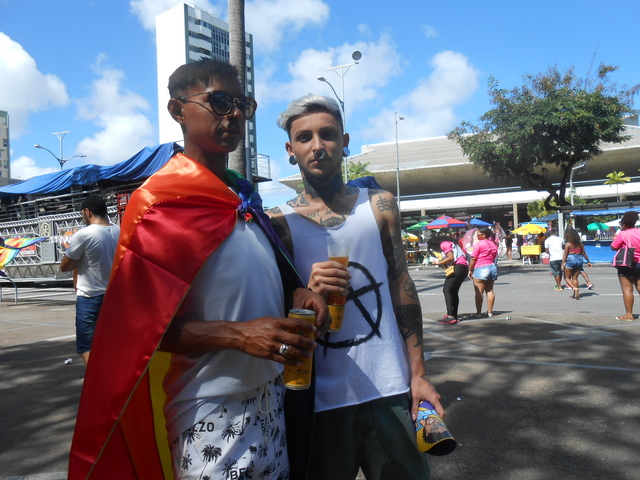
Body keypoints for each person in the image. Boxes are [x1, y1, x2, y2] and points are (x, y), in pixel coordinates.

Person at [68, 59, 328, 480]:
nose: (237, 114)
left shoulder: (242, 197)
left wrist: (299, 293)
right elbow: (134, 331)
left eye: (244, 104)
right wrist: (239, 335)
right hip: (209, 407)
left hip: (270, 393)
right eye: (221, 101)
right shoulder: (159, 203)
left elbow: (265, 282)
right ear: (177, 111)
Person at [268, 94, 444, 480]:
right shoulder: (277, 224)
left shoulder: (380, 205)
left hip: (392, 390)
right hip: (319, 402)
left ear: (344, 141)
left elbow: (402, 286)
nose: (318, 147)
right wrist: (306, 293)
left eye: (328, 134)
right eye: (304, 138)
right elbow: (275, 314)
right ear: (290, 150)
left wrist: (419, 374)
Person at [59, 194, 119, 366]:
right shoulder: (119, 231)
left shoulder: (83, 234)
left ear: (87, 212)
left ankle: (99, 386)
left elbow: (65, 266)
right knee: (112, 343)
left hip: (90, 298)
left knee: (87, 346)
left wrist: (78, 259)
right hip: (115, 297)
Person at [428, 235, 469, 324]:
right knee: (453, 291)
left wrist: (438, 262)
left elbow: (450, 258)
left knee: (447, 290)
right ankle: (454, 315)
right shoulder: (451, 243)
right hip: (463, 267)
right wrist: (444, 263)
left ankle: (450, 316)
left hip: (458, 266)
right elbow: (451, 258)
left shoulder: (444, 244)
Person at [611, 210, 640, 321]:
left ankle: (629, 314)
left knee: (627, 289)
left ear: (624, 223)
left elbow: (613, 247)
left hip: (627, 263)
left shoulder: (623, 234)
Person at [468, 227, 498, 317]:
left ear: (484, 235)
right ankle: (489, 312)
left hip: (481, 267)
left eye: (478, 234)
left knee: (479, 291)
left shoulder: (479, 244)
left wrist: (470, 269)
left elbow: (473, 258)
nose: (477, 236)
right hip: (492, 267)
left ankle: (478, 312)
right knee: (490, 290)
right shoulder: (493, 244)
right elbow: (494, 256)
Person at [562, 228, 591, 299]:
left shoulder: (568, 244)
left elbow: (565, 255)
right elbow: (583, 253)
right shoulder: (580, 244)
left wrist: (563, 264)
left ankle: (574, 288)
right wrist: (588, 261)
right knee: (575, 278)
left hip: (571, 259)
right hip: (579, 259)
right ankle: (575, 294)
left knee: (566, 277)